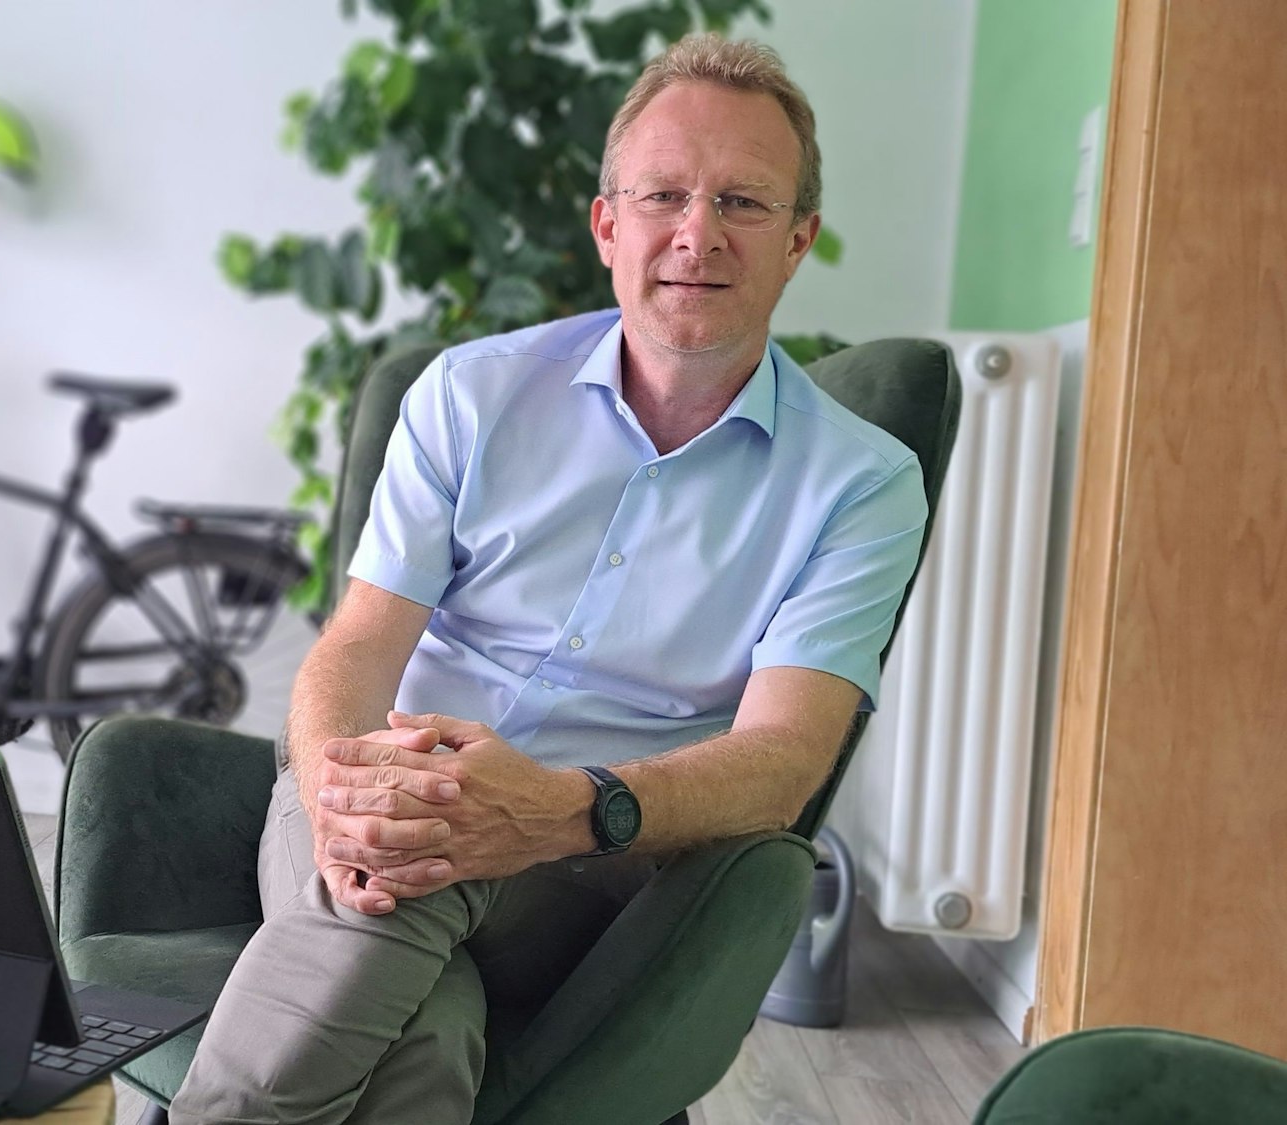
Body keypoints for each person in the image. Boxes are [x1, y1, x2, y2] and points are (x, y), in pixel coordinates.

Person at [170, 32, 928, 1125]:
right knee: (423, 1041)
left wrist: (555, 809)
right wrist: (340, 781)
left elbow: (779, 764)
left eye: (743, 203)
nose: (695, 234)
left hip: (602, 866)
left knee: (436, 830)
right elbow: (355, 648)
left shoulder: (861, 483)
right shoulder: (470, 395)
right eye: (662, 194)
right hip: (378, 797)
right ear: (606, 225)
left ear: (798, 239)